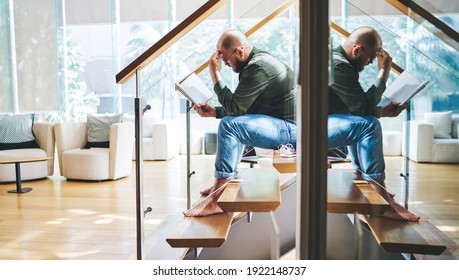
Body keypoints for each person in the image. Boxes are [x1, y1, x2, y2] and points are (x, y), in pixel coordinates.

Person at [184, 29, 297, 217]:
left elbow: (237, 108)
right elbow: (245, 108)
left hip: (291, 129)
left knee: (230, 125)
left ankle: (218, 198)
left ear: (240, 52)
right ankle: (223, 183)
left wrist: (215, 74)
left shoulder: (258, 67)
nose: (226, 65)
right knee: (232, 123)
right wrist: (216, 112)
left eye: (227, 60)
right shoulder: (258, 62)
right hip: (282, 123)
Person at [328, 26, 420, 222]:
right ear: (357, 50)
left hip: (319, 122)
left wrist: (381, 111)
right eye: (370, 58)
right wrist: (384, 71)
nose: (371, 63)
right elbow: (362, 107)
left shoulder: (338, 61)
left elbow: (351, 108)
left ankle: (367, 181)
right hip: (309, 129)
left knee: (364, 122)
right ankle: (381, 201)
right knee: (368, 125)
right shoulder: (338, 65)